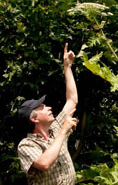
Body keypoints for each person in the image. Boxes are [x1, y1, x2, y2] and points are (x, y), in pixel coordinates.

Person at [17, 43, 78, 185]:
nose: (49, 108)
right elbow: (44, 163)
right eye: (42, 107)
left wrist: (67, 67)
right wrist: (64, 130)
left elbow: (72, 100)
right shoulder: (26, 145)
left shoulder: (55, 128)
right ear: (34, 119)